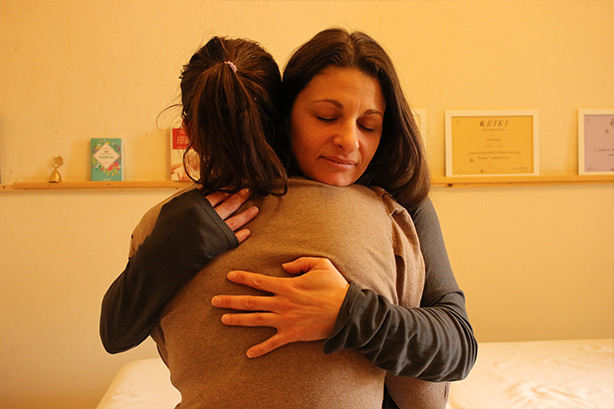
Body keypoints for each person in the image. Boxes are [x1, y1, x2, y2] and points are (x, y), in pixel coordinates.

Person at [100, 29, 476, 407]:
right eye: (326, 117)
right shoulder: (210, 209)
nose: (349, 140)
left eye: (368, 125)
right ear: (285, 114)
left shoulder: (400, 204)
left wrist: (347, 312)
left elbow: (459, 347)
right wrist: (167, 249)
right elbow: (115, 332)